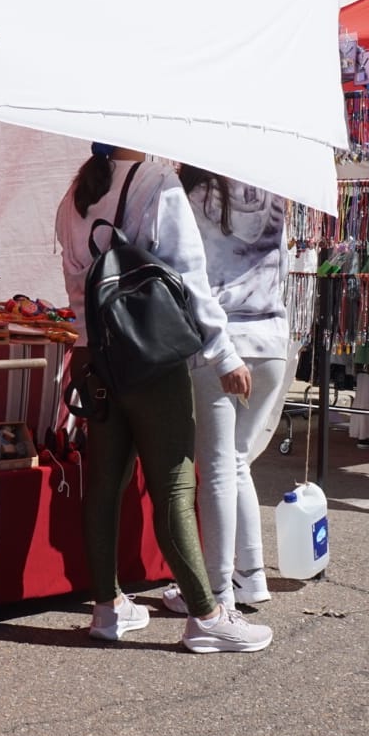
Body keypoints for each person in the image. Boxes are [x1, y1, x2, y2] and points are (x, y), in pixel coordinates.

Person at [55, 144, 273, 654]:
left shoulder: (76, 195)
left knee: (104, 483)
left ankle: (108, 608)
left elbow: (73, 285)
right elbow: (189, 282)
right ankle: (206, 615)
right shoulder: (157, 184)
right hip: (151, 354)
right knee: (173, 485)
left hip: (96, 356)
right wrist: (224, 356)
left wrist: (87, 351)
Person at [157, 166, 289, 615]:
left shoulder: (190, 192)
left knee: (217, 469)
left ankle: (216, 591)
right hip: (272, 338)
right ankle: (250, 576)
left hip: (222, 342)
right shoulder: (275, 189)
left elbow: (187, 274)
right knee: (236, 463)